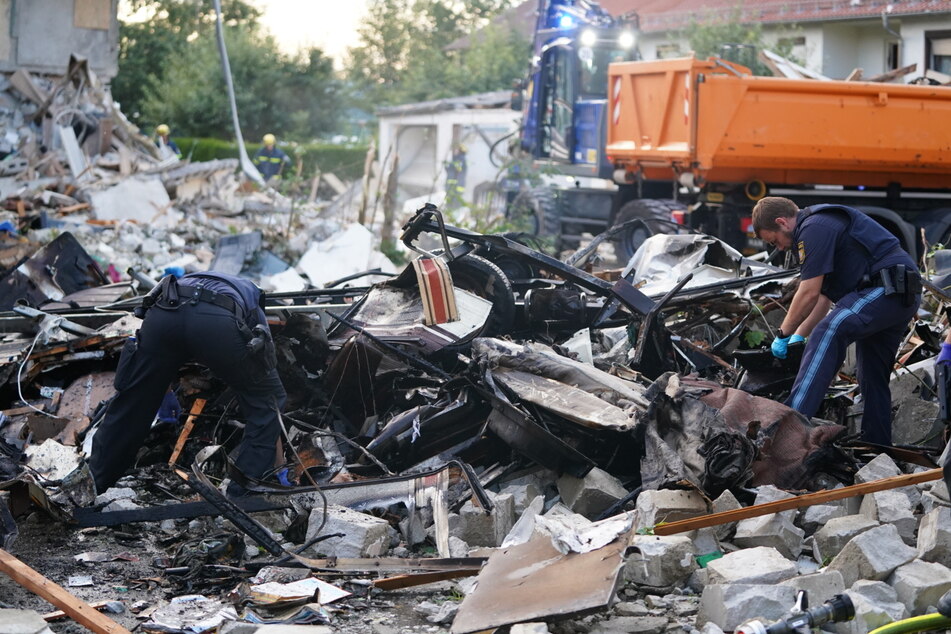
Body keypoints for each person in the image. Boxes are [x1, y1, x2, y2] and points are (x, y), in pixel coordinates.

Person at [89, 271, 286, 496]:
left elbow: (173, 344)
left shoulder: (192, 279)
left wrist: (164, 392)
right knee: (267, 398)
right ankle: (242, 495)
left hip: (164, 314)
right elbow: (265, 390)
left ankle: (92, 484)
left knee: (131, 403)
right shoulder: (254, 300)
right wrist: (278, 464)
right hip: (216, 323)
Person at [753, 196, 921, 446]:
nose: (779, 247)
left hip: (885, 289)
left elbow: (808, 291)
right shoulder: (820, 228)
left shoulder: (814, 228)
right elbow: (823, 296)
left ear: (782, 222)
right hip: (898, 293)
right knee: (872, 375)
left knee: (830, 330)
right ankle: (877, 447)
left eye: (774, 240)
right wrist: (800, 334)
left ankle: (789, 428)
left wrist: (782, 334)